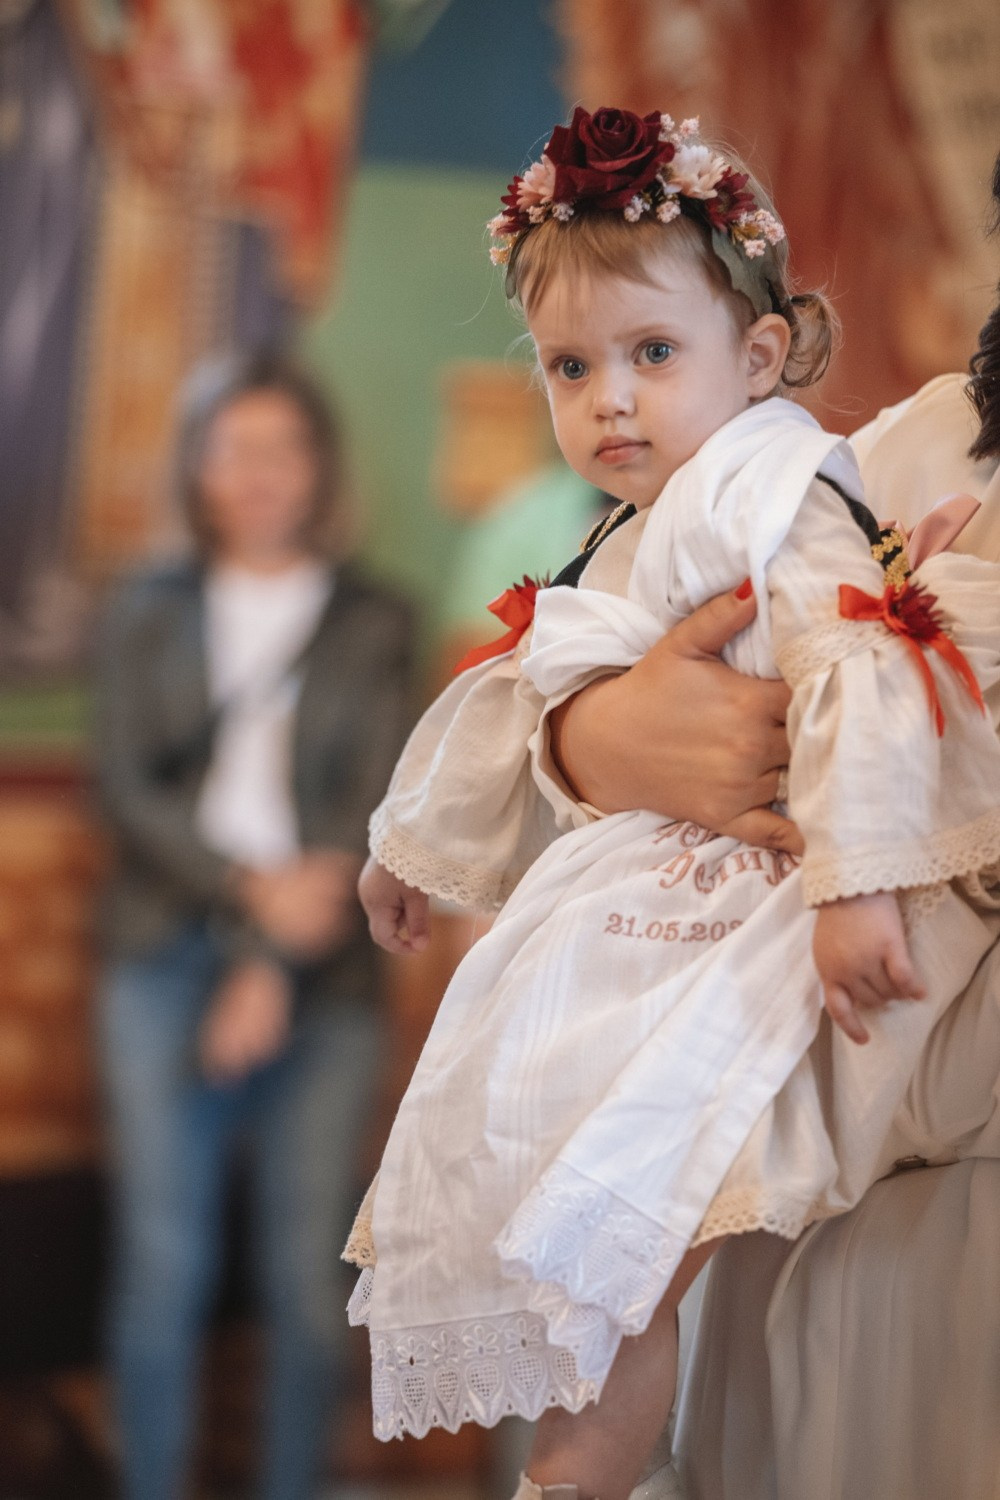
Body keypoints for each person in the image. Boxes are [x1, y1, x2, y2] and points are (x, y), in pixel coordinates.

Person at [346, 108, 1000, 1500]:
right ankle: (572, 1474)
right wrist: (412, 845)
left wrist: (857, 887)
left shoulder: (778, 488)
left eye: (652, 355)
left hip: (763, 909)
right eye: (571, 367)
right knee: (562, 1212)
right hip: (654, 903)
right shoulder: (643, 522)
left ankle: (574, 1480)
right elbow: (529, 685)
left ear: (757, 357)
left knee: (629, 1239)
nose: (610, 402)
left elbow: (863, 678)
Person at [94, 350, 414, 1500]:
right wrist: (246, 893)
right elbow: (125, 789)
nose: (261, 472)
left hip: (323, 975)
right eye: (236, 449)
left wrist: (271, 962)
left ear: (319, 465)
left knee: (305, 1278)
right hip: (160, 954)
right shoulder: (145, 609)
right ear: (198, 468)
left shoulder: (375, 618)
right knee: (162, 1267)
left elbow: (375, 804)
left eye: (284, 447)